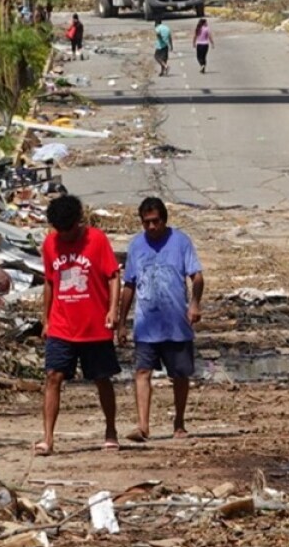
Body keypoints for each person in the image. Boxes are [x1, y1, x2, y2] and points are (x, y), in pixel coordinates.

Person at [38, 194, 122, 455]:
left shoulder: (97, 240)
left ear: (79, 222)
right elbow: (50, 282)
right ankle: (48, 439)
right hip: (62, 325)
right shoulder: (50, 244)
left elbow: (113, 275)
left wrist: (112, 310)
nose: (65, 235)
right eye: (60, 230)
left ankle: (110, 429)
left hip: (94, 325)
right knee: (53, 376)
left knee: (101, 378)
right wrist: (46, 319)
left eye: (69, 229)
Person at [117, 197, 204, 442]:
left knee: (179, 374)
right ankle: (143, 426)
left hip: (176, 321)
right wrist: (122, 322)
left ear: (164, 220)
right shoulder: (136, 246)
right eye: (147, 223)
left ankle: (179, 422)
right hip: (146, 324)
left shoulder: (181, 242)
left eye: (155, 222)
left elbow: (196, 276)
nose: (152, 227)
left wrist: (195, 303)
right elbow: (129, 285)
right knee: (142, 371)